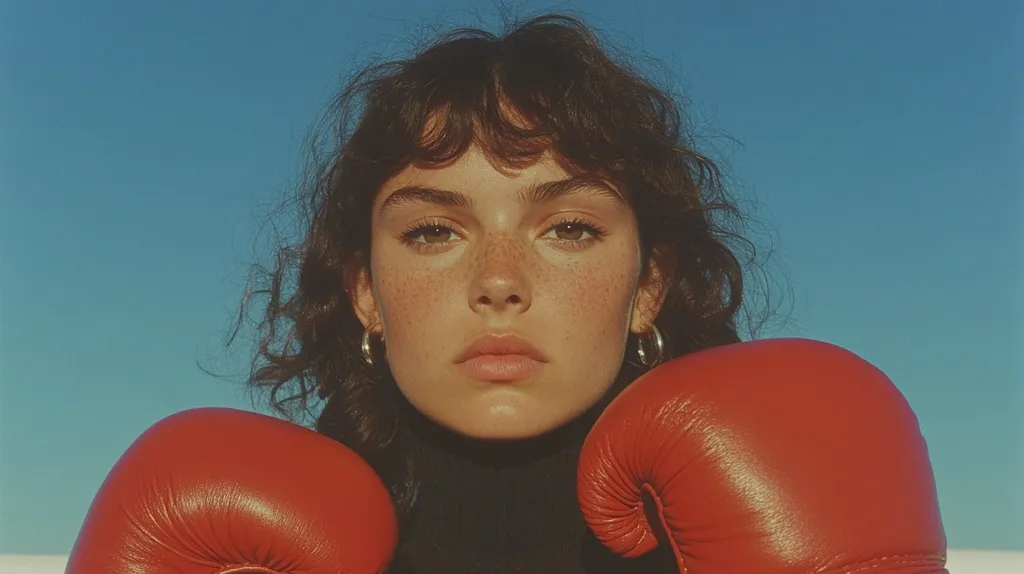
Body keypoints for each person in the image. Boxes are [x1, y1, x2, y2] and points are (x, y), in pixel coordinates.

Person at [64, 12, 949, 574]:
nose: (497, 282)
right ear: (366, 292)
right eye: (432, 231)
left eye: (568, 228)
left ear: (649, 287)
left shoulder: (765, 531)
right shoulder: (239, 550)